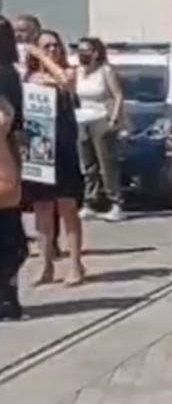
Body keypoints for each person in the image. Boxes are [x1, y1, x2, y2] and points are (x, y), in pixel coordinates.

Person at [22, 31, 86, 287]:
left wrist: (43, 57)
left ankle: (75, 264)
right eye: (45, 46)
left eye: (55, 45)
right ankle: (46, 265)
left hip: (64, 148)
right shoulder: (29, 78)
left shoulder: (67, 73)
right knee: (42, 211)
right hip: (39, 150)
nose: (51, 49)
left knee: (67, 207)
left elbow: (64, 82)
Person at [75, 37, 125, 221]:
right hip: (81, 120)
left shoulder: (105, 71)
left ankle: (115, 203)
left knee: (106, 163)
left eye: (86, 50)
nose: (82, 54)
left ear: (96, 53)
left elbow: (118, 95)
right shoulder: (78, 72)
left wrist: (114, 118)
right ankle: (91, 202)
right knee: (88, 165)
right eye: (80, 50)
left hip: (101, 119)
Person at [0, 17, 26, 320]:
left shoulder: (4, 75)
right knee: (9, 226)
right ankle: (8, 294)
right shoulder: (12, 74)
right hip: (10, 152)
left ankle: (7, 295)